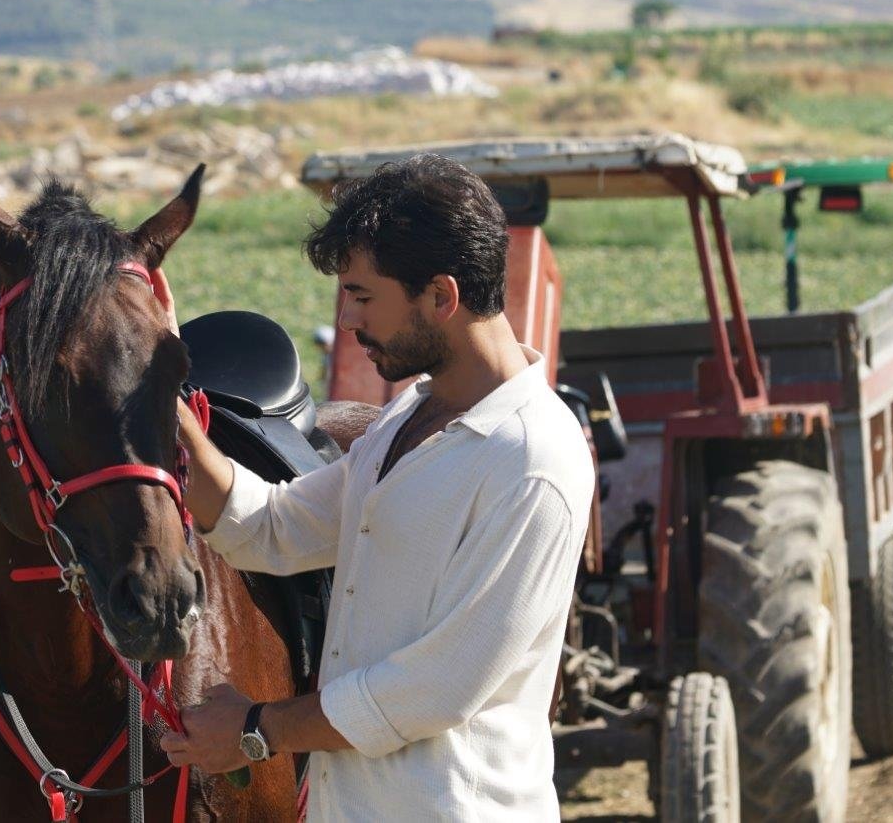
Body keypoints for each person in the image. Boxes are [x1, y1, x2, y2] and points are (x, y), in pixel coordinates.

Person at [156, 154, 595, 821]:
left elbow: (437, 687)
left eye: (364, 296)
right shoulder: (406, 420)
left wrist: (257, 728)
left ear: (441, 297)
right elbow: (271, 526)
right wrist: (170, 410)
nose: (351, 322)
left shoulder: (532, 460)